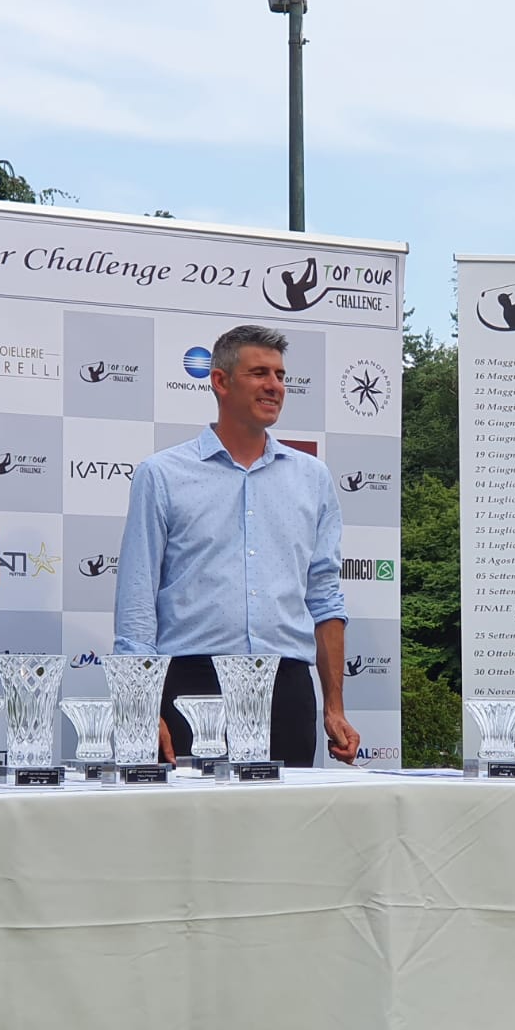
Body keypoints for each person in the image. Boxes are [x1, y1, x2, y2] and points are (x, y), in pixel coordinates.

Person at [114, 324, 359, 767]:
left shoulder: (313, 478)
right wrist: (139, 706)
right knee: (193, 813)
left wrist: (334, 706)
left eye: (280, 375)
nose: (274, 385)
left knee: (285, 813)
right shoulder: (162, 474)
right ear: (220, 381)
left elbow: (324, 597)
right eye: (259, 373)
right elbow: (137, 597)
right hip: (191, 683)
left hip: (287, 687)